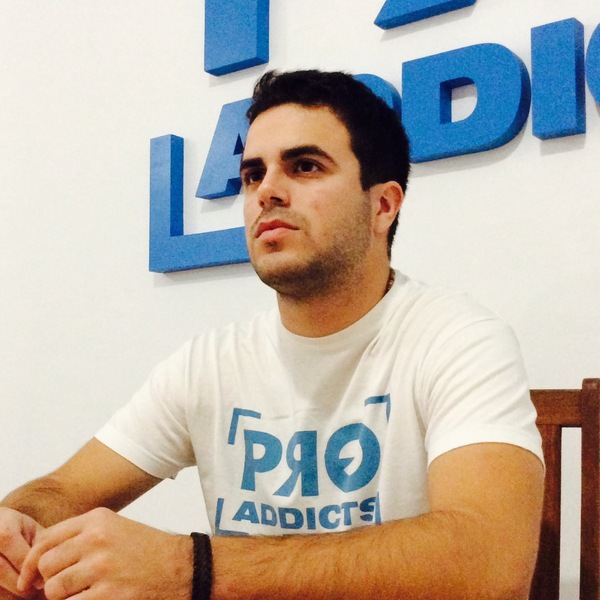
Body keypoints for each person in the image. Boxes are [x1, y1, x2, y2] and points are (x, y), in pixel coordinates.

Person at [1, 69, 544, 600]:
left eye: (305, 166)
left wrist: (188, 568)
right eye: (252, 175)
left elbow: (492, 565)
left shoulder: (458, 340)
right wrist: (19, 521)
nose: (267, 192)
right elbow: (64, 490)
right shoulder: (209, 363)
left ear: (383, 205)